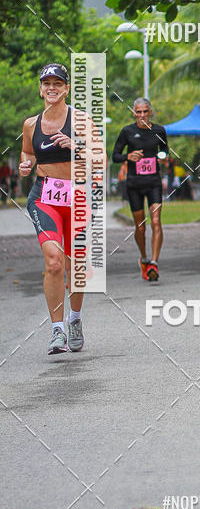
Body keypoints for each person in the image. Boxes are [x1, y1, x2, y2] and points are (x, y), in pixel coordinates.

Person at [19, 63, 103, 355]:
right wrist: (26, 165)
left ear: (67, 88)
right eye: (47, 83)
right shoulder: (31, 124)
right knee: (54, 261)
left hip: (78, 197)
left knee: (75, 266)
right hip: (44, 196)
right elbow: (28, 152)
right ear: (41, 88)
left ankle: (75, 320)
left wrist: (75, 146)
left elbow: (101, 159)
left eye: (58, 83)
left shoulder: (81, 120)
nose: (52, 88)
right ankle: (57, 330)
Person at [112, 98, 168, 281]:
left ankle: (154, 263)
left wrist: (162, 157)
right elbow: (115, 156)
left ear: (150, 111)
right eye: (139, 112)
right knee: (140, 227)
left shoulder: (159, 130)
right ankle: (144, 258)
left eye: (145, 111)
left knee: (156, 221)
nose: (142, 115)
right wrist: (129, 156)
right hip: (134, 184)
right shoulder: (127, 131)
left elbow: (165, 151)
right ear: (134, 113)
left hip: (154, 183)